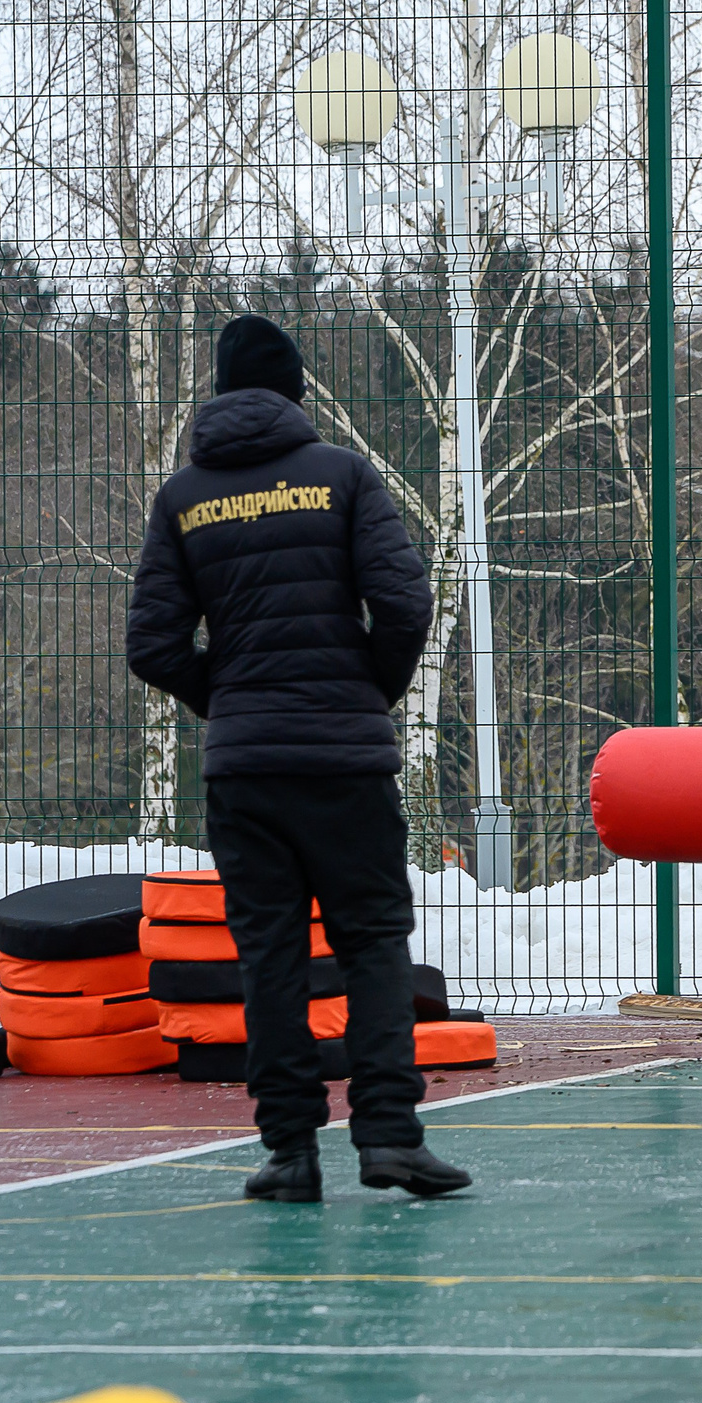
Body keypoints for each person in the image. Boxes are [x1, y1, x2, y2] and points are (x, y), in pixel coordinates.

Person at [126, 314, 465, 1204]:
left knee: (268, 954)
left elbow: (153, 646)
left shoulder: (184, 498)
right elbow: (403, 604)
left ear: (219, 392)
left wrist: (226, 701)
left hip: (245, 768)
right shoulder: (344, 476)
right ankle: (390, 1136)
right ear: (297, 391)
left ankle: (289, 1153)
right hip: (345, 759)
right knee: (374, 943)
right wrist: (369, 693)